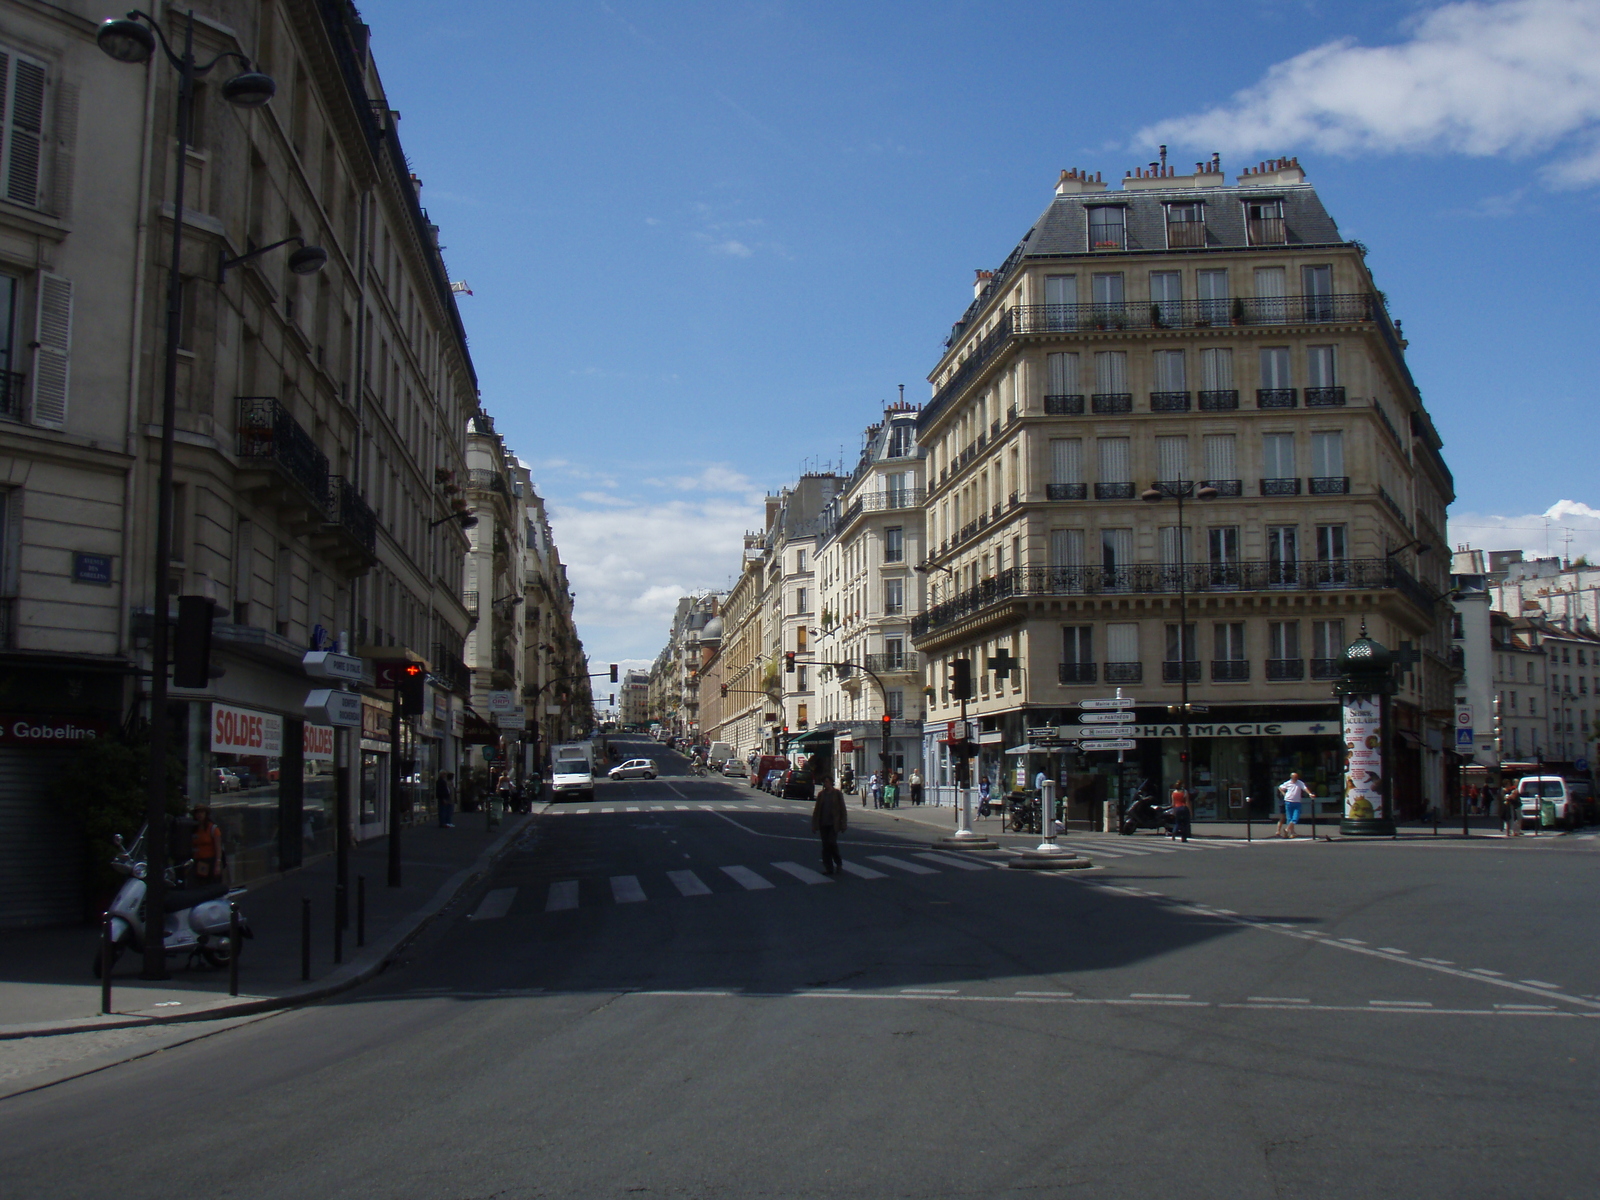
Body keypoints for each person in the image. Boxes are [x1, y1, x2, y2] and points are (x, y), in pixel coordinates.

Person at [812, 773, 848, 875]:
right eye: (824, 782)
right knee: (825, 846)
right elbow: (817, 810)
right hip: (823, 823)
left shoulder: (837, 794)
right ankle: (828, 867)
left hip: (833, 824)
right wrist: (814, 825)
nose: (826, 784)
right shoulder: (821, 795)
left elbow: (842, 809)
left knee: (832, 843)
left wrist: (843, 823)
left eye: (827, 782)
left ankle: (838, 862)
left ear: (831, 783)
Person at [188, 804, 226, 886]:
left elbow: (218, 848)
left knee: (212, 885)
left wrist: (217, 864)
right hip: (198, 862)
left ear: (206, 814)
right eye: (197, 812)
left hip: (210, 861)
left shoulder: (213, 829)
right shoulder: (194, 829)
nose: (199, 815)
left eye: (202, 812)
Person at [1277, 771, 1313, 839]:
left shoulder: (1300, 783)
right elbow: (1280, 787)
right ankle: (1292, 832)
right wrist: (1284, 794)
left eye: (1296, 777)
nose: (1296, 778)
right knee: (1289, 818)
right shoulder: (1288, 783)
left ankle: (1287, 830)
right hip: (1288, 801)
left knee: (1295, 817)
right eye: (1294, 777)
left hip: (1297, 802)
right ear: (1291, 777)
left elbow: (1305, 788)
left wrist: (1310, 794)